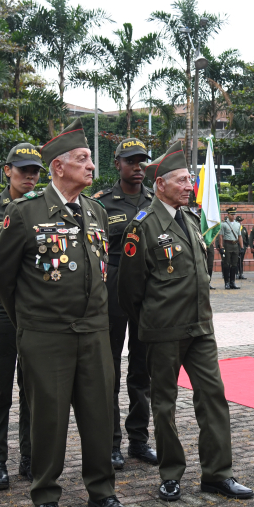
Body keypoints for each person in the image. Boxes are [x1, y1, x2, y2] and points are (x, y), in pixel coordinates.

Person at [0, 118, 124, 507]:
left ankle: (102, 491)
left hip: (94, 332)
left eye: (90, 159)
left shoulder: (96, 211)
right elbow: (2, 276)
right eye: (82, 159)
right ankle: (46, 494)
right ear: (59, 167)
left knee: (99, 415)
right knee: (48, 419)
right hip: (46, 334)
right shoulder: (25, 212)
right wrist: (29, 323)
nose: (91, 166)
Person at [118, 144, 253, 501]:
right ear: (160, 184)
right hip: (164, 330)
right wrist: (151, 322)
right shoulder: (142, 226)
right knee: (164, 403)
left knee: (213, 396)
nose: (188, 185)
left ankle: (217, 474)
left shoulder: (191, 220)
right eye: (181, 180)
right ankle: (171, 473)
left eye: (189, 179)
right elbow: (129, 290)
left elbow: (201, 271)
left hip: (200, 327)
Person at [0, 142, 42, 490]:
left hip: (34, 305)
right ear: (7, 171)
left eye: (34, 171)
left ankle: (30, 457)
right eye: (22, 170)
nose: (29, 176)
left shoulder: (44, 207)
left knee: (32, 387)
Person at [91, 137, 158, 470]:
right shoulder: (102, 203)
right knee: (110, 369)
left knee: (142, 370)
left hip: (146, 288)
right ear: (117, 163)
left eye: (141, 161)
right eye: (130, 161)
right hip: (113, 285)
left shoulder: (155, 200)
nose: (137, 167)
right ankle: (111, 443)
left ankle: (139, 440)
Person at [220, 207, 243, 290]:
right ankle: (226, 282)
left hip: (235, 245)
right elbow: (221, 236)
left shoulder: (238, 224)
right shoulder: (224, 224)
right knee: (226, 264)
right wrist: (221, 246)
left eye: (234, 214)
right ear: (228, 214)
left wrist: (242, 247)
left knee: (234, 264)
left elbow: (240, 236)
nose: (233, 216)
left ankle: (232, 282)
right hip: (227, 244)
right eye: (231, 214)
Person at [236, 215, 249, 280]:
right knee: (235, 260)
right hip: (236, 246)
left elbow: (246, 237)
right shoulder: (234, 228)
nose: (240, 222)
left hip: (242, 246)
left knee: (241, 260)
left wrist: (245, 246)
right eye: (238, 221)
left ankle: (241, 273)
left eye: (240, 221)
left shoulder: (244, 229)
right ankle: (236, 273)